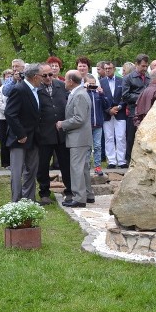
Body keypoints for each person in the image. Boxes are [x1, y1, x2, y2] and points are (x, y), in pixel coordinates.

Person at [4, 63, 44, 202]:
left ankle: (29, 199)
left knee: (31, 171)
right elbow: (10, 113)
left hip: (34, 138)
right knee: (17, 172)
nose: (43, 78)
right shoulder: (19, 89)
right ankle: (15, 201)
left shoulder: (36, 90)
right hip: (19, 138)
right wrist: (20, 134)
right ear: (34, 76)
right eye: (42, 76)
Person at [36, 63, 73, 206]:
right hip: (44, 133)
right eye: (44, 75)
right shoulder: (37, 88)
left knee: (65, 163)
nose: (48, 78)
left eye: (50, 74)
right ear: (39, 75)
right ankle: (44, 192)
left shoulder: (61, 85)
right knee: (43, 165)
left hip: (61, 132)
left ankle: (69, 190)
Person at [58, 70, 94, 208]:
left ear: (71, 81)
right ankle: (88, 194)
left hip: (78, 138)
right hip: (80, 137)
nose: (64, 82)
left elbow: (79, 118)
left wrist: (63, 124)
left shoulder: (79, 95)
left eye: (65, 79)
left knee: (77, 167)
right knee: (83, 167)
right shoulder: (79, 93)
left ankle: (79, 198)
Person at [121, 53, 150, 164]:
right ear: (137, 64)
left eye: (146, 66)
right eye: (143, 66)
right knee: (131, 138)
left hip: (147, 113)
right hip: (134, 112)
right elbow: (125, 96)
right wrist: (142, 97)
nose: (145, 68)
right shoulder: (128, 78)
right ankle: (129, 162)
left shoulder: (148, 77)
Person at [99, 61, 126, 168]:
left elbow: (125, 96)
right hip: (107, 113)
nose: (107, 70)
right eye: (105, 68)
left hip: (120, 112)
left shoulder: (122, 80)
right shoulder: (101, 82)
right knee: (108, 137)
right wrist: (108, 110)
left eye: (109, 68)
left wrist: (119, 107)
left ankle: (122, 160)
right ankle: (111, 161)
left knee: (121, 137)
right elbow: (99, 99)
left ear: (114, 69)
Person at [0, 69, 12, 169]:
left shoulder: (15, 86)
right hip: (3, 117)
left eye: (11, 75)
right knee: (4, 139)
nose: (9, 77)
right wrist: (9, 112)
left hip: (14, 118)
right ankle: (6, 162)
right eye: (7, 76)